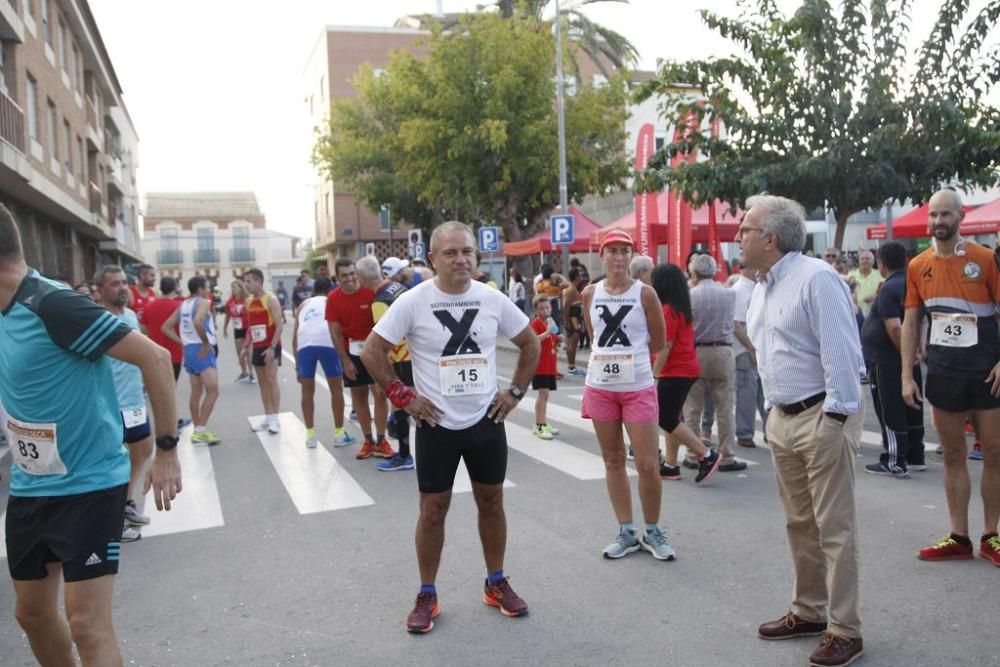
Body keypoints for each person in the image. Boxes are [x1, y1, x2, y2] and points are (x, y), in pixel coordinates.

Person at [0, 204, 181, 667]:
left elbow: (156, 359)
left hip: (90, 485)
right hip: (30, 485)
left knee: (85, 623)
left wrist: (165, 451)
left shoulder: (53, 304)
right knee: (32, 614)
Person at [361, 221, 539, 633]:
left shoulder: (490, 298)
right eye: (451, 253)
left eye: (468, 252)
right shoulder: (413, 300)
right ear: (432, 260)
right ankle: (427, 592)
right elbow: (373, 351)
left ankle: (496, 582)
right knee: (433, 510)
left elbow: (531, 343)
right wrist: (403, 397)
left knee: (492, 503)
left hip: (485, 421)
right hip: (436, 425)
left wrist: (514, 392)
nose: (462, 259)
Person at [737, 194, 865, 667]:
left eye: (745, 229)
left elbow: (842, 355)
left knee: (834, 528)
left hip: (821, 416)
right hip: (783, 418)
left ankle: (845, 629)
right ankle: (809, 610)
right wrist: (773, 414)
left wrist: (836, 418)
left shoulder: (817, 278)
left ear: (769, 238)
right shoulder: (763, 285)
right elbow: (769, 353)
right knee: (799, 525)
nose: (738, 237)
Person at [902, 189, 1000, 566]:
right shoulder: (917, 265)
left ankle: (991, 535)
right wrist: (906, 376)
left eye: (946, 215)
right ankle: (959, 536)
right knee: (954, 455)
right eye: (934, 215)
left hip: (986, 372)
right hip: (943, 373)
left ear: (961, 216)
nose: (939, 221)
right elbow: (911, 322)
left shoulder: (985, 259)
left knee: (993, 453)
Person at [581, 230, 674, 561]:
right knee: (613, 460)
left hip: (637, 387)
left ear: (631, 256)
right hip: (601, 386)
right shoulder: (589, 293)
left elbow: (658, 341)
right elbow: (594, 337)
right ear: (602, 255)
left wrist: (638, 368)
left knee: (648, 463)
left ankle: (653, 530)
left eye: (625, 251)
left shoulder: (644, 293)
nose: (619, 258)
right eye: (613, 251)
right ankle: (625, 530)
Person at [95, 266, 155, 542]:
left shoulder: (130, 315)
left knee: (143, 449)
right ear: (101, 290)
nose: (122, 288)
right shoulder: (96, 319)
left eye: (124, 283)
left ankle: (127, 503)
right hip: (112, 403)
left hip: (134, 399)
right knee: (115, 463)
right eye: (115, 284)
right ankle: (113, 521)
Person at [650, 263, 721, 483]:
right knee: (673, 417)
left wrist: (653, 376)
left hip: (675, 371)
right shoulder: (680, 307)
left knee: (666, 418)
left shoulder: (668, 310)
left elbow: (665, 347)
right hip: (686, 368)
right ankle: (671, 465)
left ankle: (706, 454)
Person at [860, 241, 925, 478]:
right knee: (912, 405)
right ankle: (915, 454)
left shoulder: (888, 288)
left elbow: (895, 327)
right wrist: (917, 351)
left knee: (890, 409)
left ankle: (894, 459)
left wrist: (906, 354)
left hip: (888, 359)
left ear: (881, 263)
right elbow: (922, 320)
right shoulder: (911, 283)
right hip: (907, 357)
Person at [681, 253, 747, 473]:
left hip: (697, 351)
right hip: (723, 350)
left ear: (695, 272)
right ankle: (727, 455)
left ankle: (693, 454)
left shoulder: (689, 296)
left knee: (693, 408)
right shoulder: (729, 294)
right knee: (725, 407)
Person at [327, 258, 394, 459]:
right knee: (359, 398)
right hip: (352, 353)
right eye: (344, 275)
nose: (349, 279)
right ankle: (368, 441)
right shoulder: (333, 298)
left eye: (352, 273)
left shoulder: (369, 291)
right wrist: (345, 361)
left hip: (374, 352)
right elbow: (334, 332)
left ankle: (382, 440)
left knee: (381, 394)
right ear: (337, 278)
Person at [292, 276, 357, 449]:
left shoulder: (303, 305)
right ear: (330, 290)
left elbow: (294, 338)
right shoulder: (332, 300)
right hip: (326, 341)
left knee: (306, 391)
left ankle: (310, 436)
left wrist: (297, 366)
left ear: (313, 291)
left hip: (304, 343)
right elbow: (340, 329)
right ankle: (339, 434)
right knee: (336, 390)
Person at [162, 276, 222, 445]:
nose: (209, 290)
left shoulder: (184, 304)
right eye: (207, 287)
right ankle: (201, 430)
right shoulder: (203, 302)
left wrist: (183, 342)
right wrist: (204, 342)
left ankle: (197, 430)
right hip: (201, 349)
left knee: (196, 391)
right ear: (200, 289)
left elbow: (165, 327)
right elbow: (197, 321)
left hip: (189, 350)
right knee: (213, 390)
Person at [244, 268, 284, 434]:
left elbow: (279, 325)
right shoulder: (248, 302)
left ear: (259, 281)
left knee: (271, 380)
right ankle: (267, 416)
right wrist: (245, 346)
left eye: (249, 281)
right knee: (261, 382)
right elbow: (250, 327)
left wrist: (272, 347)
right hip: (258, 346)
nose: (247, 285)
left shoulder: (271, 299)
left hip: (271, 345)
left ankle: (275, 418)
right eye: (245, 282)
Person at [732, 264, 768, 448]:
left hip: (757, 348)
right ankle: (745, 433)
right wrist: (751, 348)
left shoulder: (755, 288)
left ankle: (770, 430)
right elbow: (736, 325)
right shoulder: (739, 290)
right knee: (747, 393)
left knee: (764, 391)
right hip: (745, 350)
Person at [530, 294, 561, 439]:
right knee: (542, 394)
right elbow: (534, 340)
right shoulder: (535, 324)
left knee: (546, 394)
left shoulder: (549, 323)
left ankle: (543, 422)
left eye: (547, 307)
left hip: (549, 365)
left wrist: (558, 338)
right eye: (541, 309)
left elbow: (553, 339)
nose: (545, 311)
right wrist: (548, 332)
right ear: (536, 310)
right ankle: (539, 425)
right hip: (539, 366)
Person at [223, 279, 255, 383]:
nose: (232, 290)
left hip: (248, 328)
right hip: (237, 328)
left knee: (248, 351)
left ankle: (251, 374)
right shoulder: (230, 301)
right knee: (239, 351)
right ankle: (244, 372)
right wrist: (225, 328)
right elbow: (227, 315)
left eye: (234, 287)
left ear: (241, 288)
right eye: (231, 287)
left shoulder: (248, 299)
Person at [562, 268, 586, 376]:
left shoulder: (573, 289)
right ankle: (571, 367)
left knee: (572, 344)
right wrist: (566, 322)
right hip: (573, 319)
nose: (581, 277)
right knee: (572, 344)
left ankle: (572, 366)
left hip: (575, 318)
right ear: (576, 276)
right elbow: (566, 307)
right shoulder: (571, 289)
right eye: (579, 275)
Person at [848, 250, 883, 317]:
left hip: (874, 315)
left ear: (873, 262)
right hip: (855, 314)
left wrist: (876, 296)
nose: (864, 261)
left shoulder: (880, 275)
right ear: (859, 261)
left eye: (867, 259)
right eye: (862, 259)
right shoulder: (850, 275)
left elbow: (886, 290)